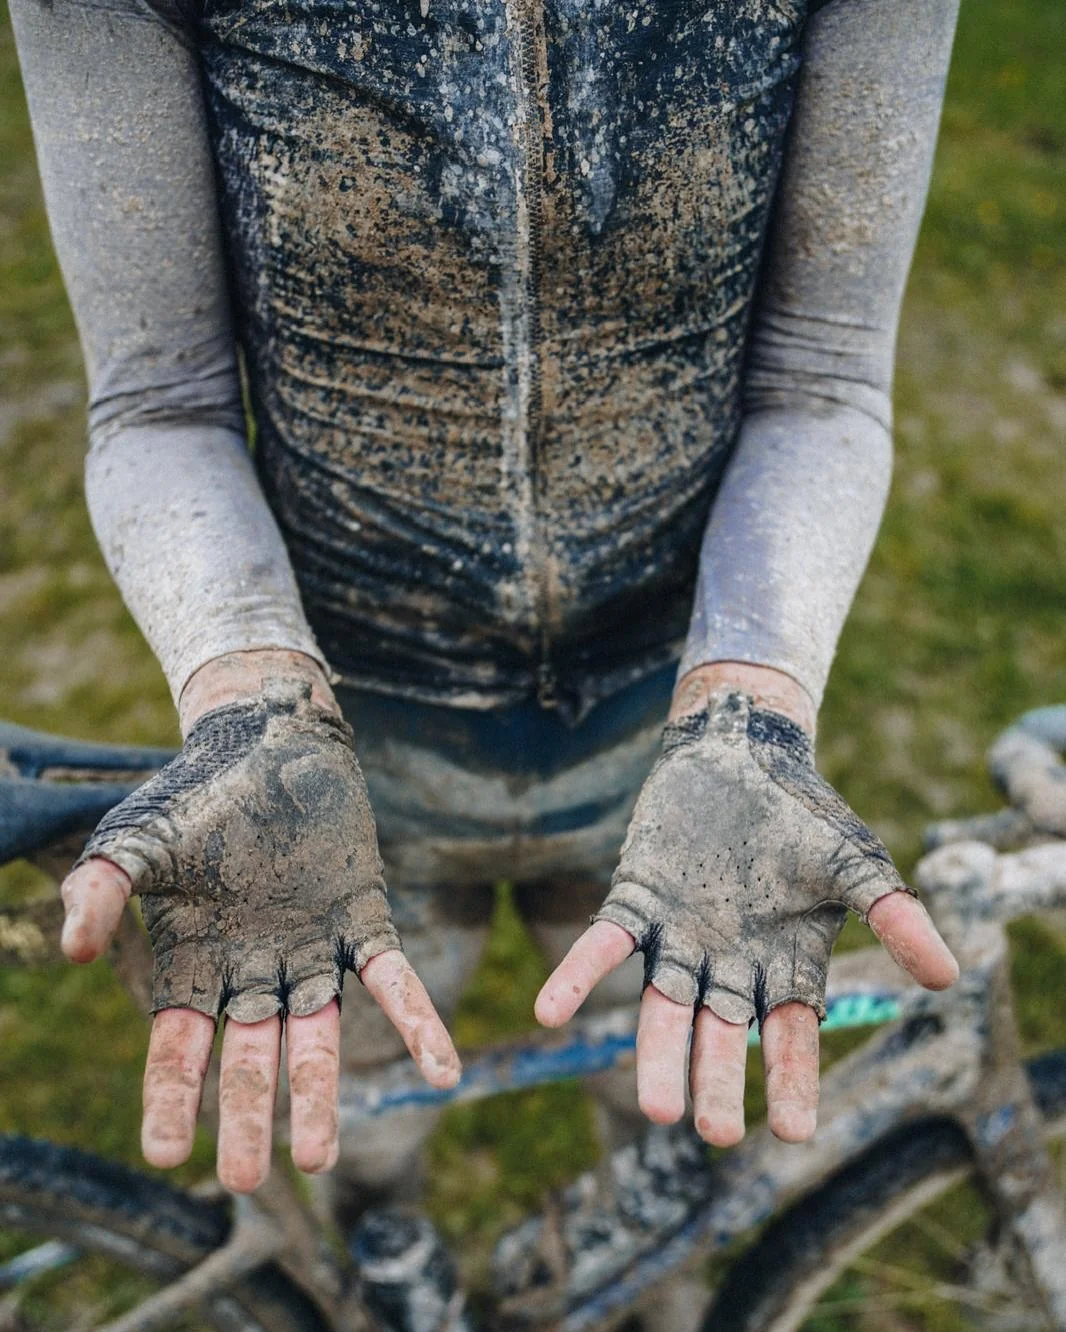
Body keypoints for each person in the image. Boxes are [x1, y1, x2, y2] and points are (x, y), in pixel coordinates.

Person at [10, 0, 960, 1276]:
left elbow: (820, 379)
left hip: (673, 756)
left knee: (673, 1156)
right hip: (343, 764)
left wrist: (748, 698)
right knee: (354, 1150)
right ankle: (384, 1258)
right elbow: (160, 404)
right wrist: (250, 692)